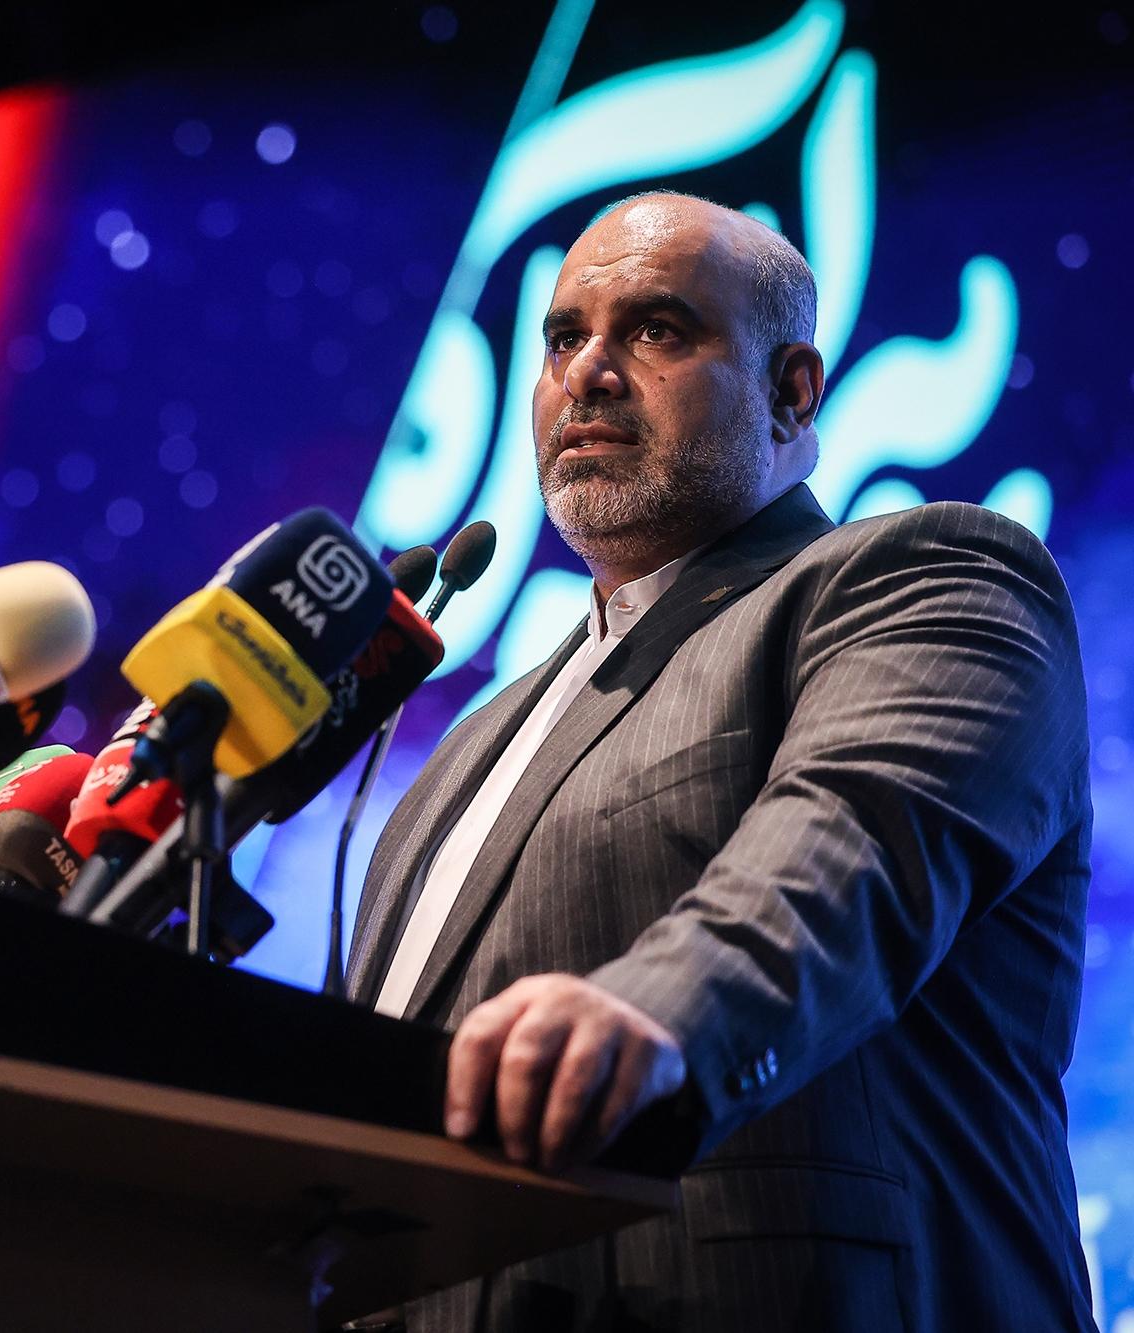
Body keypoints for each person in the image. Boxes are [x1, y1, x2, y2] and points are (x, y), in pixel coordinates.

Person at [346, 192, 1095, 1332]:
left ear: (792, 391)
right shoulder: (470, 746)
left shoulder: (923, 577)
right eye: (562, 337)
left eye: (655, 330)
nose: (587, 373)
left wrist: (656, 1006)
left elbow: (853, 842)